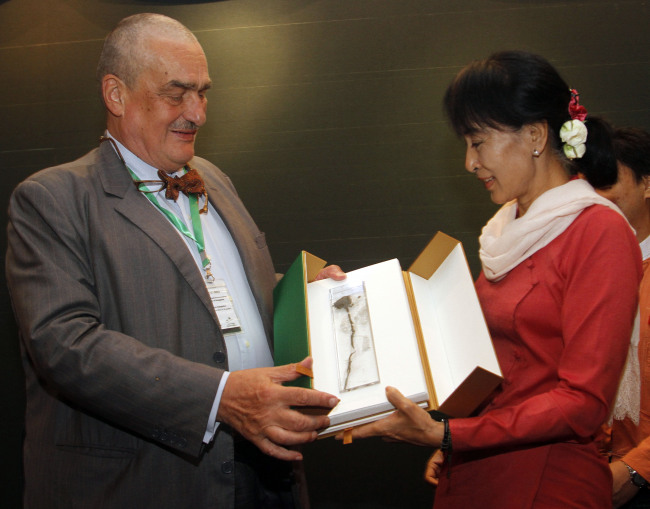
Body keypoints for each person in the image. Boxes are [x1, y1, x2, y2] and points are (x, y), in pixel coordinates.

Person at [5, 13, 345, 509]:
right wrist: (219, 398)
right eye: (176, 93)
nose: (198, 113)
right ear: (116, 95)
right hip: (144, 484)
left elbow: (220, 291)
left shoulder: (212, 176)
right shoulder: (52, 199)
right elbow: (66, 344)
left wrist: (304, 291)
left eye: (203, 92)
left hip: (263, 475)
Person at [341, 50, 643, 508]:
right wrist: (354, 309)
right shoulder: (509, 228)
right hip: (475, 465)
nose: (469, 162)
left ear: (536, 135)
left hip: (546, 480)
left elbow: (583, 402)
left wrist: (451, 433)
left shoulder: (598, 232)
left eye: (477, 142)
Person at [586, 127, 650, 508]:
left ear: (647, 185)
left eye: (606, 181)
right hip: (592, 469)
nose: (595, 197)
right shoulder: (590, 268)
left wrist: (637, 469)